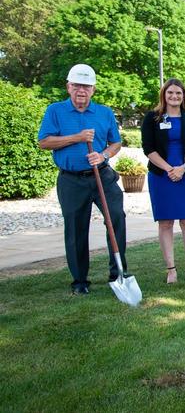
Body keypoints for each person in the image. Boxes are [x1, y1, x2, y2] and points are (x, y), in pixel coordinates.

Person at [37, 63, 127, 295]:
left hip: (102, 176)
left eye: (86, 86)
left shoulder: (104, 113)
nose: (81, 90)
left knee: (116, 218)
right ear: (68, 87)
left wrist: (103, 155)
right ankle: (80, 280)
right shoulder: (55, 111)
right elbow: (44, 142)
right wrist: (76, 137)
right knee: (76, 228)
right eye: (77, 85)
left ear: (93, 90)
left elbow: (115, 143)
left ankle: (117, 272)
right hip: (71, 180)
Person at [140, 79, 185, 284]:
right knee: (165, 223)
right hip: (161, 177)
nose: (174, 97)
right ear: (164, 95)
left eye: (178, 93)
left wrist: (182, 168)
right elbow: (148, 148)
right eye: (170, 93)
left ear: (184, 96)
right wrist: (169, 169)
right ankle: (171, 270)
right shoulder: (152, 118)